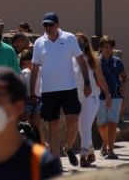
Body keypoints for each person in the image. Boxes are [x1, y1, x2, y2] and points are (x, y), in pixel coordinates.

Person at [30, 12, 91, 167]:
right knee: (53, 124)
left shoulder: (69, 38)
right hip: (48, 90)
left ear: (57, 24)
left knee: (73, 121)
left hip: (69, 88)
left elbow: (81, 61)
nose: (48, 28)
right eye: (45, 25)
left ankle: (68, 147)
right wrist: (32, 91)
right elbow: (35, 68)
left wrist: (87, 82)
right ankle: (56, 161)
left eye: (51, 24)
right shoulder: (38, 43)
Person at [74, 33, 112, 165]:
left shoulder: (92, 59)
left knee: (85, 124)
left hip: (92, 96)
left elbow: (100, 79)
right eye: (76, 41)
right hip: (76, 96)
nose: (79, 44)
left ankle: (83, 155)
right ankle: (90, 151)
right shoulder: (69, 59)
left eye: (81, 42)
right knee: (81, 126)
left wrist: (107, 95)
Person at [97, 36, 127, 158]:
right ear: (101, 48)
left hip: (115, 96)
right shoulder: (97, 62)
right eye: (105, 47)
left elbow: (124, 77)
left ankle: (110, 150)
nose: (108, 49)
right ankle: (105, 142)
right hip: (99, 96)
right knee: (102, 125)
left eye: (110, 47)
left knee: (112, 123)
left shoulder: (118, 61)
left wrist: (124, 86)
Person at [19, 49, 46, 145]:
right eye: (26, 59)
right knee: (26, 123)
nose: (29, 61)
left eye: (30, 59)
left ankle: (43, 145)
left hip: (38, 100)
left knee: (38, 125)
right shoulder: (23, 73)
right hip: (27, 100)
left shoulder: (41, 71)